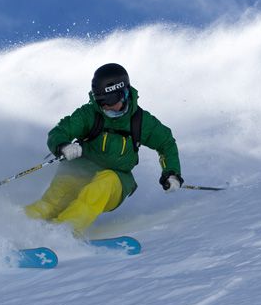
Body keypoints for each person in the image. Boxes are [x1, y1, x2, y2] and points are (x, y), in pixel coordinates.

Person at [25, 63, 182, 235]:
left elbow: (166, 143)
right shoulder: (89, 114)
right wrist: (63, 145)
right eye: (101, 101)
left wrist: (171, 173)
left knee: (99, 188)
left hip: (116, 180)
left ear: (124, 94)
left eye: (110, 101)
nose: (106, 106)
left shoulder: (140, 121)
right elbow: (59, 131)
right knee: (55, 197)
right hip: (82, 169)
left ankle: (63, 231)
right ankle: (21, 226)